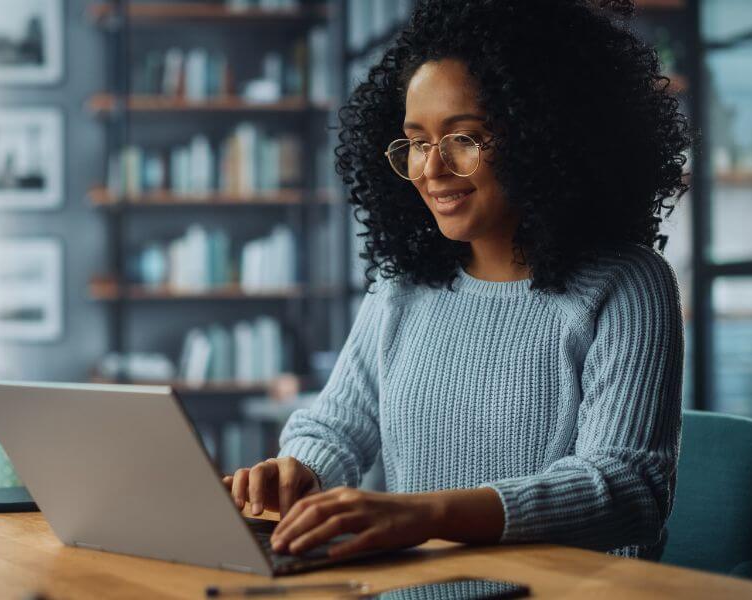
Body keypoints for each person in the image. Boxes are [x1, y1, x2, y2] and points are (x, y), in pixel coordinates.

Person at [223, 0, 691, 561]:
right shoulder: (401, 289)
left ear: (543, 134)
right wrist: (298, 472)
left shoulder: (626, 286)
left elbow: (626, 488)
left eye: (464, 137)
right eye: (417, 142)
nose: (431, 168)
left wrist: (425, 515)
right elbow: (335, 428)